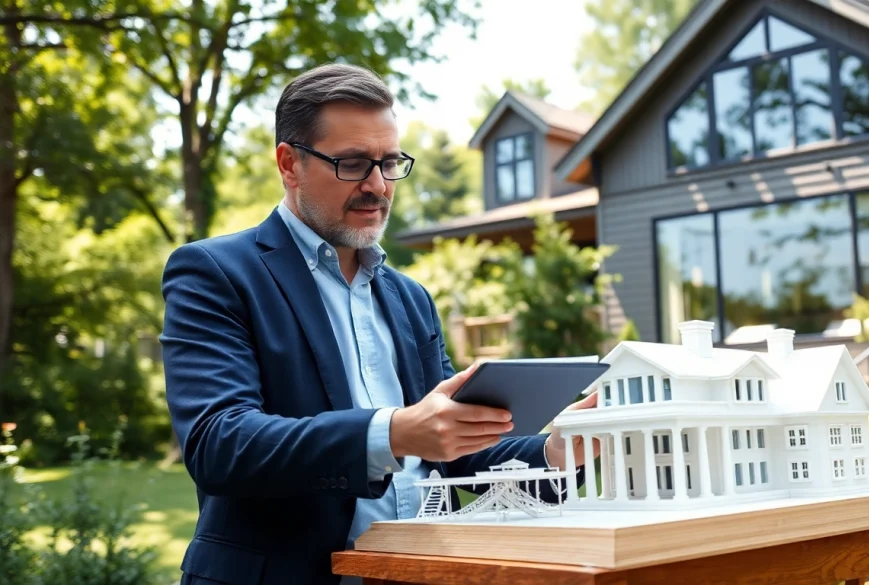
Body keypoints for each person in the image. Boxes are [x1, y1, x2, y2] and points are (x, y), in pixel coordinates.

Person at [159, 63, 594, 585]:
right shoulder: (216, 273)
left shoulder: (410, 298)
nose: (377, 185)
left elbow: (456, 452)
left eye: (390, 163)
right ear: (289, 163)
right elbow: (219, 443)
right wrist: (392, 433)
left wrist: (559, 449)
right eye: (352, 164)